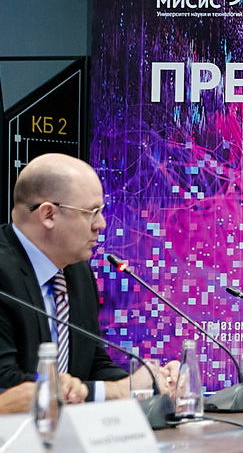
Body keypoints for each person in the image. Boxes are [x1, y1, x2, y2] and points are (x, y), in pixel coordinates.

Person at [0, 153, 157, 400]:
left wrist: (149, 383)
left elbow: (94, 365)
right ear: (48, 215)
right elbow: (5, 383)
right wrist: (112, 391)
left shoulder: (77, 271)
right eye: (91, 212)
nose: (101, 224)